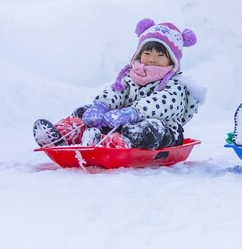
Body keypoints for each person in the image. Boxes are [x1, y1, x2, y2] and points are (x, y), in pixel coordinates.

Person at [33, 18, 202, 150]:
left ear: (171, 59)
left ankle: (112, 144)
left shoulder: (175, 84)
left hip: (164, 132)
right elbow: (117, 91)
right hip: (119, 124)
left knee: (150, 128)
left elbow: (161, 103)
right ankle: (63, 135)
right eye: (147, 52)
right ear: (138, 54)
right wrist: (100, 106)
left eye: (160, 55)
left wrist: (133, 113)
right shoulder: (131, 76)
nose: (152, 58)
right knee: (85, 111)